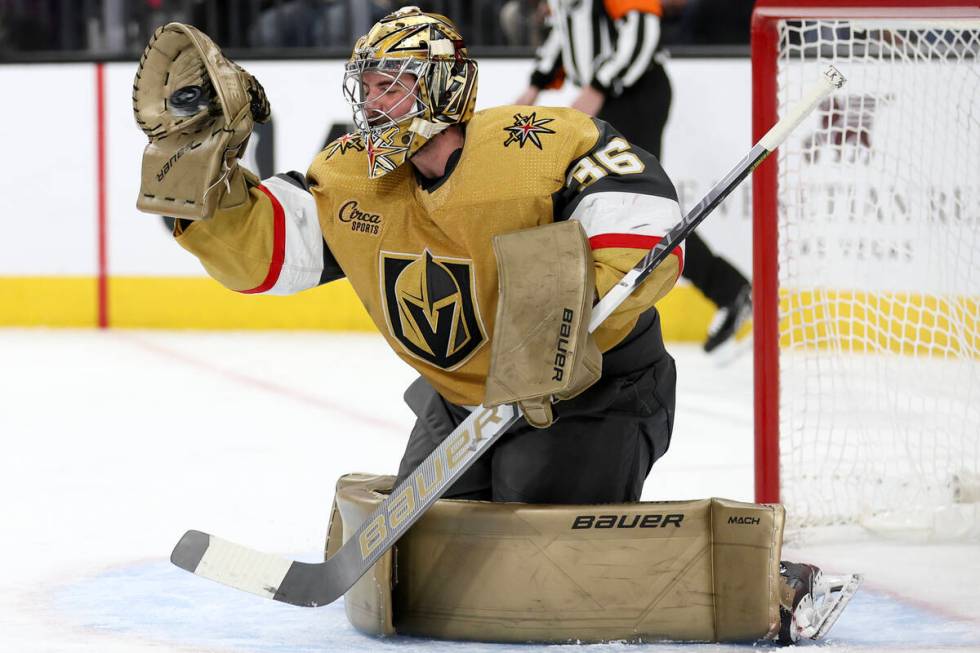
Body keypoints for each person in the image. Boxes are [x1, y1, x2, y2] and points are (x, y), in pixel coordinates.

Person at [132, 7, 856, 644]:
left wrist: (563, 326)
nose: (375, 103)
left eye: (395, 83)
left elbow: (640, 210)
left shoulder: (536, 142)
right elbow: (269, 251)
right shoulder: (351, 176)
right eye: (369, 86)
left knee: (539, 554)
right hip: (465, 400)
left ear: (444, 88)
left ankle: (761, 582)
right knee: (425, 563)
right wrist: (203, 185)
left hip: (594, 391)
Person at [515, 0, 752, 353]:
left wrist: (598, 86)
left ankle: (729, 290)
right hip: (614, 96)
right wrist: (536, 84)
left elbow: (642, 31)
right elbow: (566, 33)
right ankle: (728, 290)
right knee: (609, 204)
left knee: (636, 209)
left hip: (635, 93)